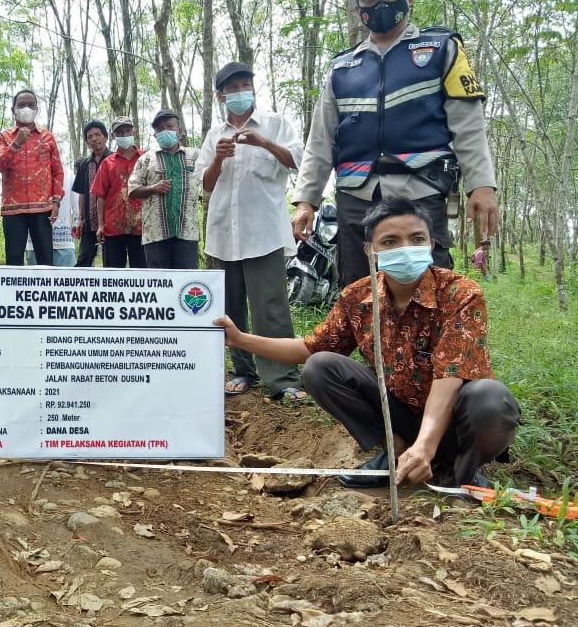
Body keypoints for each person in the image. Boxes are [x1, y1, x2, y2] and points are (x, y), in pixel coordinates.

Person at [216, 197, 519, 489]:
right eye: (390, 242)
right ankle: (395, 448)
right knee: (320, 366)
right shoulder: (357, 297)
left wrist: (426, 445)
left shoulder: (460, 293)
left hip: (455, 418)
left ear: (431, 244)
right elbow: (309, 349)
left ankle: (463, 473)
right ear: (370, 250)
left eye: (416, 239)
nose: (405, 248)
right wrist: (241, 339)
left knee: (491, 398)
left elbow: (449, 375)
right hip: (397, 416)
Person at [292, 0, 499, 287]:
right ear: (360, 7)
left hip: (421, 191)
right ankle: (367, 342)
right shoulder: (343, 68)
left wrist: (482, 184)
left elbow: (468, 126)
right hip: (355, 198)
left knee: (426, 292)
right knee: (357, 294)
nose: (381, 2)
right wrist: (307, 200)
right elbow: (320, 139)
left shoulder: (440, 49)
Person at [197, 62, 306, 401]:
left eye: (246, 84)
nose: (240, 92)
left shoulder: (275, 124)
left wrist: (264, 143)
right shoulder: (214, 135)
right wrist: (218, 160)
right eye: (233, 88)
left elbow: (299, 161)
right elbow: (205, 184)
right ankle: (242, 371)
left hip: (264, 234)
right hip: (223, 236)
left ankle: (282, 378)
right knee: (229, 307)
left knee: (270, 307)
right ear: (221, 96)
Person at [0, 89, 64, 266]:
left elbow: (57, 170)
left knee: (45, 258)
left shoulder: (48, 136)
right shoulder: (4, 137)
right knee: (14, 258)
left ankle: (46, 293)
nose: (26, 108)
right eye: (21, 105)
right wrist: (16, 143)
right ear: (13, 109)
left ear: (37, 109)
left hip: (42, 208)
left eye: (31, 105)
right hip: (13, 208)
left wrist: (56, 201)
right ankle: (12, 293)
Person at [128, 109, 201, 269]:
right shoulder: (145, 159)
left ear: (180, 131)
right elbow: (132, 191)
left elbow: (210, 182)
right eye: (159, 129)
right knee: (159, 285)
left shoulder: (195, 156)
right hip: (155, 235)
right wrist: (153, 188)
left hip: (187, 233)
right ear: (155, 135)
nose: (165, 131)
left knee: (185, 284)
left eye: (170, 126)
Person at [90, 116, 145, 268]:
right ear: (113, 136)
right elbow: (100, 195)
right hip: (113, 228)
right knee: (113, 273)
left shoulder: (145, 158)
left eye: (128, 130)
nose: (124, 134)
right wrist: (100, 225)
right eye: (120, 132)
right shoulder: (108, 163)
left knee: (143, 272)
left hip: (142, 226)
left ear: (133, 132)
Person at [71, 120, 111, 267]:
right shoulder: (84, 165)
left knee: (110, 262)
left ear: (106, 137)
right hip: (89, 222)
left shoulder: (113, 160)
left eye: (98, 135)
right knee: (83, 261)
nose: (94, 139)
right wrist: (80, 219)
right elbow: (81, 193)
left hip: (110, 223)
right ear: (87, 142)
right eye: (90, 137)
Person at [28, 169, 77, 267]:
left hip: (62, 241)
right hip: (36, 242)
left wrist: (77, 220)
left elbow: (76, 203)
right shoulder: (32, 170)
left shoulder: (68, 174)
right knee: (38, 280)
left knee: (65, 280)